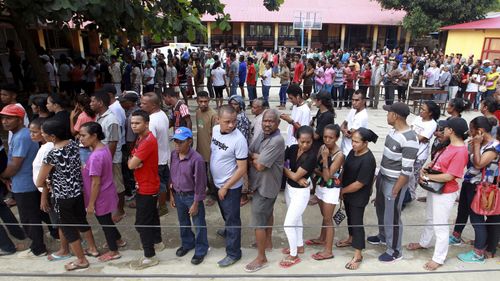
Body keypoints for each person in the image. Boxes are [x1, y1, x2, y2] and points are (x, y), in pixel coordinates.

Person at [406, 117, 469, 271]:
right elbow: (439, 163)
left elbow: (450, 176)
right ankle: (424, 242)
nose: (442, 130)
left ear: (451, 131)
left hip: (445, 192)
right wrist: (428, 168)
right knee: (430, 218)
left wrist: (427, 177)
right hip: (436, 188)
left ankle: (438, 257)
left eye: (445, 128)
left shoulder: (460, 151)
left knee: (440, 225)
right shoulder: (449, 145)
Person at [36, 119, 99, 271]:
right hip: (77, 192)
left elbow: (39, 181)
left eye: (43, 133)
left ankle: (81, 260)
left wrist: (48, 184)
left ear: (52, 137)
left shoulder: (52, 154)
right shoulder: (73, 144)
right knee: (81, 221)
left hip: (62, 197)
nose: (42, 135)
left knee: (68, 228)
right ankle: (93, 249)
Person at [368, 102, 418, 262]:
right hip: (384, 176)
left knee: (392, 216)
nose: (387, 115)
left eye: (388, 112)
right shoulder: (393, 131)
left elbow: (406, 170)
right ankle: (383, 236)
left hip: (394, 181)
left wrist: (396, 190)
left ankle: (395, 250)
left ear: (395, 115)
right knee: (381, 209)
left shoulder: (410, 139)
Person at [0, 105, 47, 258]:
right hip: (24, 182)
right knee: (36, 215)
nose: (4, 122)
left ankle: (38, 248)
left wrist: (4, 175)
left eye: (9, 118)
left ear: (19, 119)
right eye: (3, 118)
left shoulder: (21, 136)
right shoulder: (21, 134)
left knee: (29, 219)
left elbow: (14, 166)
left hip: (24, 185)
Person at [453, 117, 499, 262]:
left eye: (472, 130)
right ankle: (474, 245)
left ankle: (478, 253)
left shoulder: (494, 147)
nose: (470, 133)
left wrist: (477, 145)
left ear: (480, 131)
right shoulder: (481, 143)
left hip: (481, 188)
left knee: (476, 220)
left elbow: (479, 164)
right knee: (466, 212)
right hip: (470, 183)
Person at [244, 109, 285, 272]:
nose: (267, 124)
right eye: (265, 121)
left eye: (271, 121)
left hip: (266, 186)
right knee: (267, 214)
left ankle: (261, 258)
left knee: (258, 222)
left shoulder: (277, 140)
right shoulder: (262, 134)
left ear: (278, 123)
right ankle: (267, 243)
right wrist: (258, 156)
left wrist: (257, 158)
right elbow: (250, 152)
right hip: (261, 184)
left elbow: (260, 166)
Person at [79, 122, 126, 262]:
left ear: (94, 136)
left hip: (100, 196)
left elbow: (96, 182)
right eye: (80, 135)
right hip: (106, 192)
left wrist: (91, 204)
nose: (80, 138)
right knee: (107, 221)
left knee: (105, 224)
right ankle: (118, 240)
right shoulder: (103, 149)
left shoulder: (95, 157)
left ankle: (113, 251)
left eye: (83, 135)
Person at [210, 105, 248, 267]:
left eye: (234, 122)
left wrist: (225, 186)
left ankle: (234, 253)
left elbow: (242, 169)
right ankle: (227, 231)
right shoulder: (215, 130)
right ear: (218, 120)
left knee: (233, 219)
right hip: (217, 182)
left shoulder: (239, 140)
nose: (232, 125)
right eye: (227, 122)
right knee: (225, 212)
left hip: (230, 187)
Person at [338, 127, 378, 270]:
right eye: (352, 141)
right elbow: (346, 169)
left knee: (357, 222)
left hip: (358, 196)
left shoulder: (368, 160)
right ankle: (351, 238)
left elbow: (359, 184)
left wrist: (342, 191)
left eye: (356, 142)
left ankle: (358, 254)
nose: (353, 144)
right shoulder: (352, 152)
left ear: (365, 143)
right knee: (349, 217)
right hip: (347, 192)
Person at [128, 110, 163, 270]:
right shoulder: (140, 138)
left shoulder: (147, 140)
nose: (133, 126)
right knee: (151, 217)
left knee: (142, 223)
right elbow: (132, 160)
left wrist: (135, 162)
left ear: (147, 124)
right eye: (132, 123)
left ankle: (150, 256)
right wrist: (135, 161)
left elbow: (130, 164)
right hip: (143, 184)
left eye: (137, 123)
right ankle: (157, 242)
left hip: (147, 187)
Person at [169, 127, 209, 265]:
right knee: (183, 223)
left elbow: (200, 183)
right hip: (178, 194)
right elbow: (172, 174)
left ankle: (201, 249)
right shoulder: (174, 154)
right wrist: (172, 194)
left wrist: (196, 203)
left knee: (198, 225)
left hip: (191, 196)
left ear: (190, 141)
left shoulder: (196, 159)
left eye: (181, 142)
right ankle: (187, 243)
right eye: (175, 141)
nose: (177, 145)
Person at [280, 126, 316, 268]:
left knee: (288, 224)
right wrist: (294, 177)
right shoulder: (293, 148)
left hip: (301, 193)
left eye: (308, 142)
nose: (305, 145)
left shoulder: (311, 156)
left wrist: (290, 174)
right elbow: (281, 160)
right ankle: (299, 245)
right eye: (302, 141)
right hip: (290, 189)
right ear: (297, 139)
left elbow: (294, 174)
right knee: (297, 220)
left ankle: (294, 254)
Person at [307, 125, 344, 261]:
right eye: (325, 137)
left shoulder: (339, 155)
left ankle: (328, 251)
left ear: (337, 138)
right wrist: (323, 172)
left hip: (331, 189)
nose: (327, 140)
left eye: (331, 138)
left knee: (328, 220)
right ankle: (322, 238)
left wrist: (325, 160)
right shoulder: (323, 147)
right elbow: (314, 169)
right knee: (324, 216)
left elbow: (327, 176)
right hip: (321, 187)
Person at [90, 91, 126, 223]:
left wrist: (107, 160)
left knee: (117, 184)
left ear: (100, 102)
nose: (90, 103)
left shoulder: (111, 120)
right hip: (102, 157)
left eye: (93, 101)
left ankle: (120, 209)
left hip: (112, 158)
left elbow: (113, 142)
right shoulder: (99, 117)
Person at [140, 92, 171, 216]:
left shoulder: (151, 121)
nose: (141, 105)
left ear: (153, 105)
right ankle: (168, 199)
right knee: (164, 179)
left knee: (160, 184)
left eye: (144, 104)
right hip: (164, 155)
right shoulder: (162, 114)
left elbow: (149, 143)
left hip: (156, 159)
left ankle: (162, 207)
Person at [406, 101, 439, 203]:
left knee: (413, 177)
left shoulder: (432, 124)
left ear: (430, 113)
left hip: (419, 154)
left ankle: (410, 195)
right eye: (421, 108)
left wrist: (414, 135)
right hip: (409, 150)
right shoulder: (417, 118)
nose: (421, 111)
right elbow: (409, 131)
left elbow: (420, 138)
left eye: (423, 110)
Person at [340, 90, 368, 156]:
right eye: (352, 100)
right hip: (344, 148)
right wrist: (345, 130)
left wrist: (344, 130)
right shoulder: (353, 110)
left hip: (351, 151)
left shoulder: (362, 116)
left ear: (363, 101)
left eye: (357, 100)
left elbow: (350, 134)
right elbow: (343, 124)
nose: (353, 102)